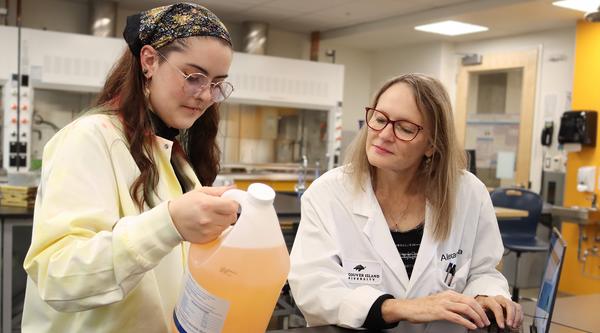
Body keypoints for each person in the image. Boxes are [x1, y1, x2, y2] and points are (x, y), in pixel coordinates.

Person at [22, 3, 238, 332]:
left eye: (217, 82)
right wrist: (169, 224)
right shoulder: (89, 138)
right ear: (149, 60)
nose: (205, 95)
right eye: (193, 76)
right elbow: (58, 275)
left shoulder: (174, 155)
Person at [288, 73, 524, 332]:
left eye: (405, 128)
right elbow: (314, 289)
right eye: (379, 119)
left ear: (432, 145)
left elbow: (483, 271)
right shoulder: (328, 194)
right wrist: (399, 308)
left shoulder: (468, 193)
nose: (384, 134)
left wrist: (487, 297)